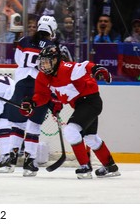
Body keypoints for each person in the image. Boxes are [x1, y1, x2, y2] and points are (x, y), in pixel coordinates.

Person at [21, 45, 120, 179]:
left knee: (71, 131)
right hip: (80, 105)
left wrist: (98, 68)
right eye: (42, 61)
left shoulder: (66, 68)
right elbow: (42, 95)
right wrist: (32, 103)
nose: (43, 65)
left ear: (56, 60)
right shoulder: (43, 76)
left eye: (47, 61)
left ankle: (85, 167)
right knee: (90, 138)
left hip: (90, 102)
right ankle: (110, 167)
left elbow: (85, 66)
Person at [3, 15, 57, 177]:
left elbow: (18, 60)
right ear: (52, 30)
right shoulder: (52, 46)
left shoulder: (24, 40)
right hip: (38, 85)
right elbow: (52, 71)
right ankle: (29, 161)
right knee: (33, 124)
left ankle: (11, 158)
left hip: (20, 84)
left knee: (18, 123)